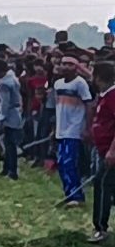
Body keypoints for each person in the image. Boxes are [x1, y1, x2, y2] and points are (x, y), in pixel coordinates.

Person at [53, 56, 93, 207]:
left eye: (70, 64)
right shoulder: (58, 84)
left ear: (76, 67)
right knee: (62, 163)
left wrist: (87, 128)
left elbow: (88, 104)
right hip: (61, 128)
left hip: (74, 129)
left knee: (69, 162)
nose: (65, 67)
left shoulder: (80, 84)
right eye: (63, 64)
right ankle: (69, 193)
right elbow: (58, 108)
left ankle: (76, 195)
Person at [89, 61, 115, 242]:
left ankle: (101, 227)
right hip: (102, 149)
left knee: (102, 185)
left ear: (98, 77)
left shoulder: (113, 96)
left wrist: (112, 151)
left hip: (109, 152)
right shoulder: (105, 95)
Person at [0, 58, 22, 180]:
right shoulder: (14, 78)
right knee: (9, 143)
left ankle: (11, 170)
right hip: (16, 112)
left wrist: (1, 118)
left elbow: (5, 103)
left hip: (9, 114)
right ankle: (7, 168)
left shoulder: (5, 83)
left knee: (10, 145)